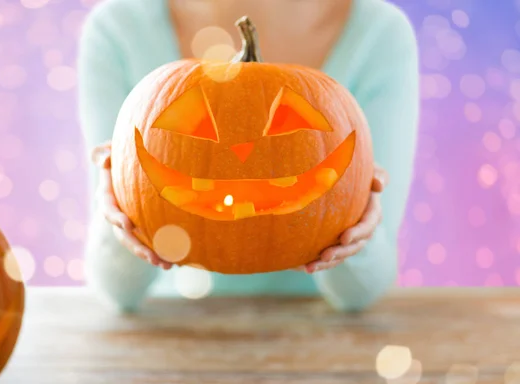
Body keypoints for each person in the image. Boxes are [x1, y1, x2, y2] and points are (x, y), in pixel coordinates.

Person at [77, 0, 419, 313]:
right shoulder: (116, 28)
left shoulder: (380, 33)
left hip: (316, 338)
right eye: (197, 128)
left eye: (290, 127)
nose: (242, 151)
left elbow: (361, 294)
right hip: (174, 333)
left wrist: (357, 233)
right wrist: (122, 215)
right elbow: (117, 290)